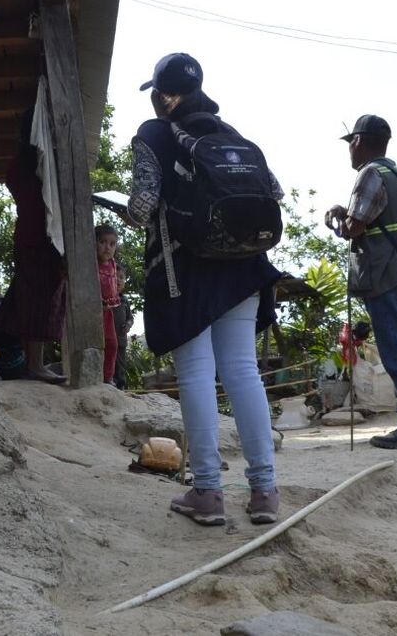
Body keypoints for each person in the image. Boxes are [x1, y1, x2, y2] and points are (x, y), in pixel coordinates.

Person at [128, 53, 282, 526]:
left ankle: (209, 493)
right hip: (244, 268)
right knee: (242, 372)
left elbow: (142, 206)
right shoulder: (231, 135)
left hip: (186, 272)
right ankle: (264, 492)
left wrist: (133, 212)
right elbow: (273, 193)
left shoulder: (153, 134)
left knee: (196, 374)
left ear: (162, 95)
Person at [325, 114, 397, 450]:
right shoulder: (396, 176)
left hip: (386, 277)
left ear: (358, 142)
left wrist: (338, 216)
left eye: (350, 144)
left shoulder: (371, 174)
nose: (349, 151)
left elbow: (355, 226)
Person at [0, 143, 68, 383]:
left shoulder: (17, 163)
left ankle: (33, 364)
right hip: (39, 238)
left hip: (28, 235)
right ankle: (35, 365)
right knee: (40, 301)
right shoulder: (35, 162)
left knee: (29, 300)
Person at [96, 224, 126, 385]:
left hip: (108, 312)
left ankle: (108, 377)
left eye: (112, 244)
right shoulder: (91, 264)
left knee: (112, 344)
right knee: (94, 344)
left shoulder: (113, 264)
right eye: (102, 242)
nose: (107, 247)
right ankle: (97, 376)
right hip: (92, 311)